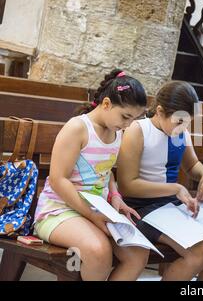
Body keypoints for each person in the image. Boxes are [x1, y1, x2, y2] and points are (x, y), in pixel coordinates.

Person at [33, 69, 150, 281]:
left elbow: (105, 172)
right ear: (106, 104)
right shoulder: (78, 128)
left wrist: (115, 197)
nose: (128, 125)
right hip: (59, 210)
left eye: (133, 119)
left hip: (97, 209)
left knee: (138, 254)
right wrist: (91, 215)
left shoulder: (116, 132)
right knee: (98, 251)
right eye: (125, 117)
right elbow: (58, 180)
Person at [116, 81, 203, 281]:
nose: (183, 128)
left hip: (172, 204)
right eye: (179, 122)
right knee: (201, 251)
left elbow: (192, 166)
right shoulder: (138, 131)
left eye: (188, 123)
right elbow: (127, 185)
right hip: (142, 208)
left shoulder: (180, 132)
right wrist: (175, 188)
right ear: (160, 111)